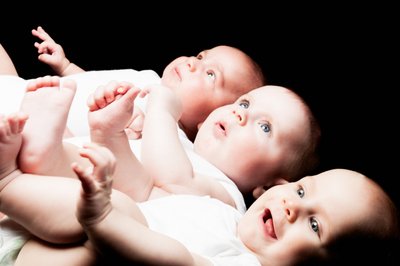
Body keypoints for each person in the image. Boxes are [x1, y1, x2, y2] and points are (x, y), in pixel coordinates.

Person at [0, 114, 398, 265]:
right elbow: (149, 193)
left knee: (115, 208)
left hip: (92, 245)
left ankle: (9, 181)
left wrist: (104, 218)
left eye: (315, 226)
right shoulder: (226, 215)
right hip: (65, 228)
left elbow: (181, 262)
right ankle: (36, 161)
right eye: (300, 192)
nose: (293, 209)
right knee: (101, 179)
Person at [17, 76, 320, 213]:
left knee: (91, 172)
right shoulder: (180, 141)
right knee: (87, 154)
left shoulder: (226, 196)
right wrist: (124, 123)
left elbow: (172, 178)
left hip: (88, 208)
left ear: (268, 188)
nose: (241, 115)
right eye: (244, 104)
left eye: (264, 126)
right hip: (91, 179)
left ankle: (45, 152)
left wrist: (161, 111)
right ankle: (49, 145)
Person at [30, 26, 267, 142]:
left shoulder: (166, 136)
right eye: (201, 56)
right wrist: (65, 66)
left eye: (211, 75)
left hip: (44, 137)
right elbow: (94, 83)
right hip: (29, 95)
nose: (192, 64)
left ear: (212, 118)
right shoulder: (149, 78)